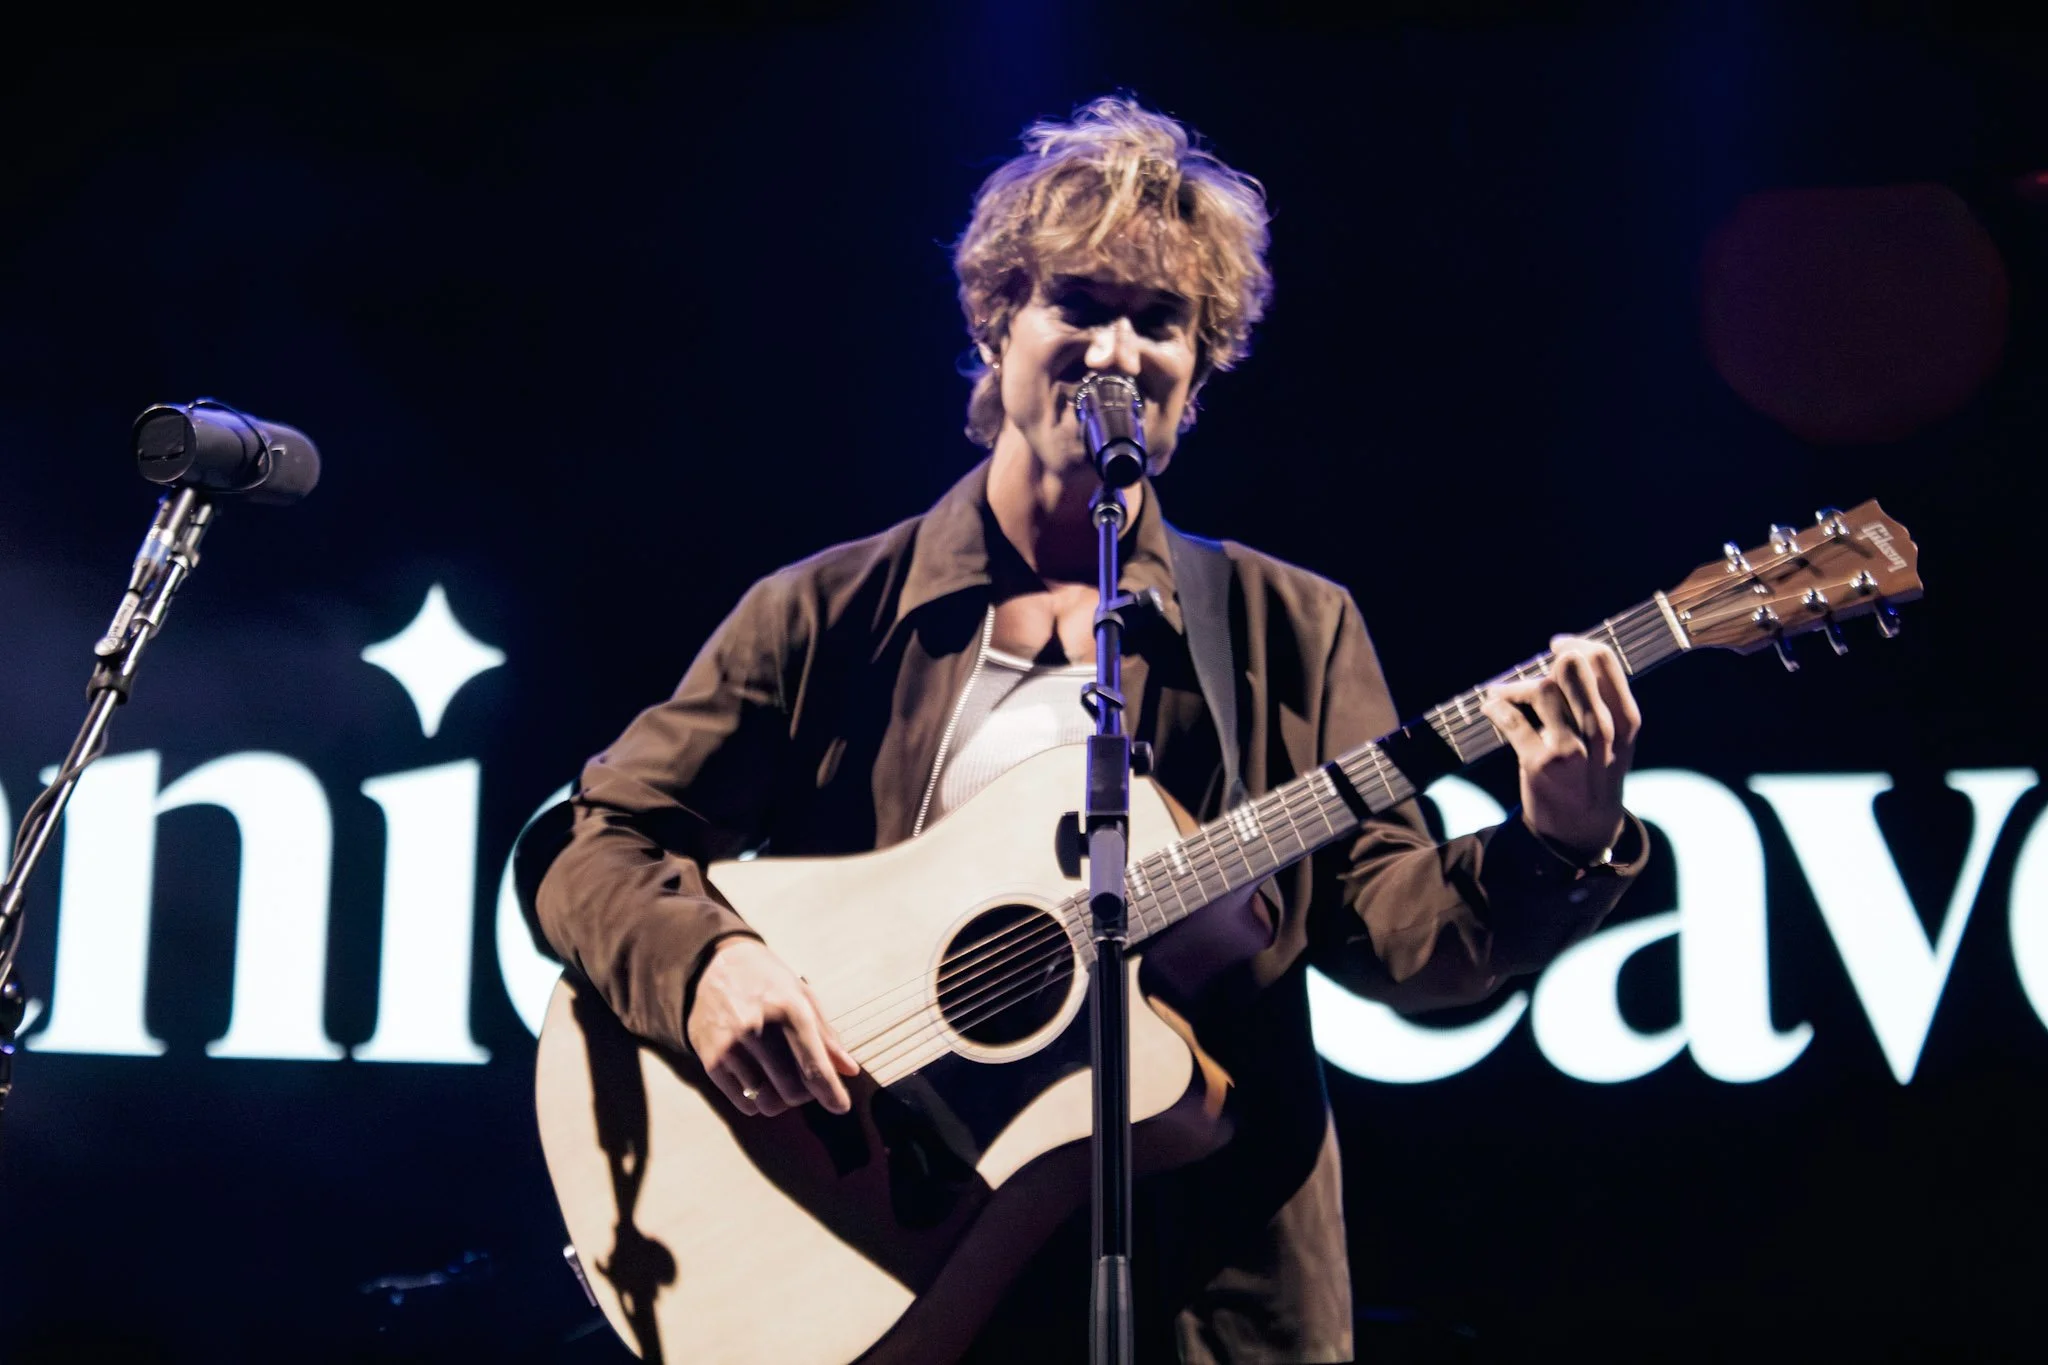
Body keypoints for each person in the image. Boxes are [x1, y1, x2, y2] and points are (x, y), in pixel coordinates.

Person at [535, 96, 1649, 1364]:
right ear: (995, 321)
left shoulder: (1289, 626)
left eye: (1160, 320)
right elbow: (595, 842)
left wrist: (1563, 838)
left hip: (1204, 1300)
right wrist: (704, 968)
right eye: (1078, 303)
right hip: (886, 1254)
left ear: (1200, 360)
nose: (1116, 349)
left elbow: (1401, 939)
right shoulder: (827, 614)